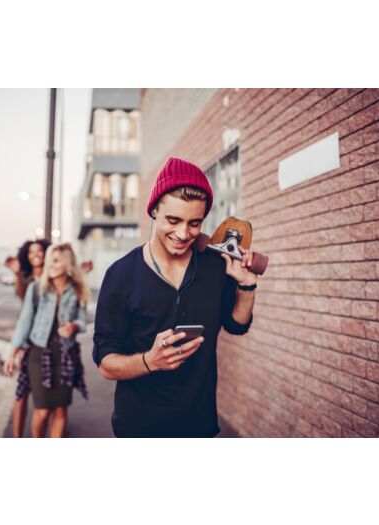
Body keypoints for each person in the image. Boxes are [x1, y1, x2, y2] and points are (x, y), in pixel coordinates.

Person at [93, 157, 257, 437]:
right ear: (155, 210)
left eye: (194, 223)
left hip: (198, 425)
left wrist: (247, 285)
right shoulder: (121, 275)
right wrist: (150, 361)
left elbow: (236, 325)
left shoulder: (215, 266)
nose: (183, 233)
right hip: (138, 428)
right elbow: (106, 364)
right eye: (173, 220)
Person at [4, 243, 90, 438]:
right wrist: (13, 353)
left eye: (56, 261)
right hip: (39, 354)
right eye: (50, 260)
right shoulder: (36, 288)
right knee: (42, 411)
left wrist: (73, 326)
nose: (50, 265)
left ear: (68, 264)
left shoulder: (77, 289)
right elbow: (24, 322)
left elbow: (82, 320)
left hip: (66, 354)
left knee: (60, 410)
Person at [4, 239, 51, 437]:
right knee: (22, 392)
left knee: (48, 395)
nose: (35, 255)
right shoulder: (26, 278)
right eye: (31, 252)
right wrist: (16, 273)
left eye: (39, 251)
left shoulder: (53, 273)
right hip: (28, 340)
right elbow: (24, 296)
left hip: (48, 341)